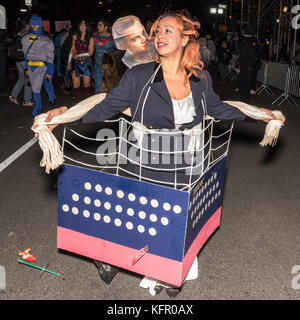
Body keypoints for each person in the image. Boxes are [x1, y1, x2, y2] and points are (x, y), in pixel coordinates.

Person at [36, 12, 279, 297]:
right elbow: (104, 106)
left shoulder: (200, 78)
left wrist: (259, 115)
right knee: (140, 220)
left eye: (168, 31)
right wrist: (63, 115)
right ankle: (114, 258)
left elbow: (218, 108)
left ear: (185, 38)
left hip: (187, 165)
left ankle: (167, 272)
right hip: (145, 162)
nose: (159, 36)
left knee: (176, 227)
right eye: (157, 31)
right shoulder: (139, 76)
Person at [21, 16, 55, 117]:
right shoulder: (25, 38)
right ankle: (38, 107)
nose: (34, 26)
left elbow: (50, 57)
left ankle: (37, 109)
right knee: (35, 89)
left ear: (40, 25)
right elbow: (25, 55)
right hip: (31, 68)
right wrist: (26, 68)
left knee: (35, 88)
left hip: (41, 67)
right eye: (32, 24)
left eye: (36, 24)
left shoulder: (46, 40)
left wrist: (49, 72)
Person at [8, 18, 33, 107]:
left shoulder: (18, 33)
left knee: (22, 78)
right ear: (27, 25)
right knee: (28, 78)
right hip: (25, 60)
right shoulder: (28, 35)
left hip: (17, 59)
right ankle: (27, 100)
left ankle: (14, 96)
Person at [68, 20, 94, 102]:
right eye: (81, 25)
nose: (83, 27)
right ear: (79, 27)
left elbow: (91, 53)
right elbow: (72, 50)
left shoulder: (91, 38)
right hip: (75, 63)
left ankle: (87, 105)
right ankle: (79, 105)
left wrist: (79, 55)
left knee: (87, 86)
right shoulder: (75, 36)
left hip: (86, 63)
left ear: (87, 27)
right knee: (76, 86)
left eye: (85, 25)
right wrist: (69, 62)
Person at [93, 19, 117, 93]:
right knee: (98, 86)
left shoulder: (113, 39)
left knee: (108, 86)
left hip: (107, 67)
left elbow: (118, 51)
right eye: (97, 25)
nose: (98, 27)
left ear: (106, 27)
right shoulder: (94, 38)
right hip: (97, 66)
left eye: (100, 25)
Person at [238, 26, 256, 103]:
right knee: (246, 84)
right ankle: (245, 99)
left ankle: (244, 99)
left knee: (244, 84)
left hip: (245, 66)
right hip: (247, 66)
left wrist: (240, 65)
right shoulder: (251, 44)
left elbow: (243, 56)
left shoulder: (244, 44)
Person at [0, 28, 8, 96]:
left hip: (2, 58)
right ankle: (2, 91)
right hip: (2, 59)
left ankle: (2, 91)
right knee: (2, 75)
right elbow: (4, 48)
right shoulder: (3, 39)